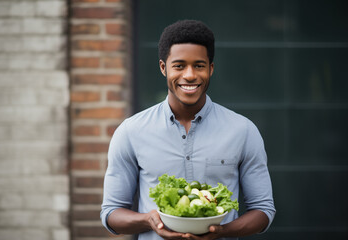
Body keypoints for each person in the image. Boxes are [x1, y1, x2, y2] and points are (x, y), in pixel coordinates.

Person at [100, 19, 275, 240]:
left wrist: (222, 232)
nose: (190, 75)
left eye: (199, 65)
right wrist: (149, 220)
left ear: (210, 69)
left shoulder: (243, 130)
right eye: (179, 65)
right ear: (164, 68)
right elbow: (111, 213)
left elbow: (264, 210)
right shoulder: (131, 131)